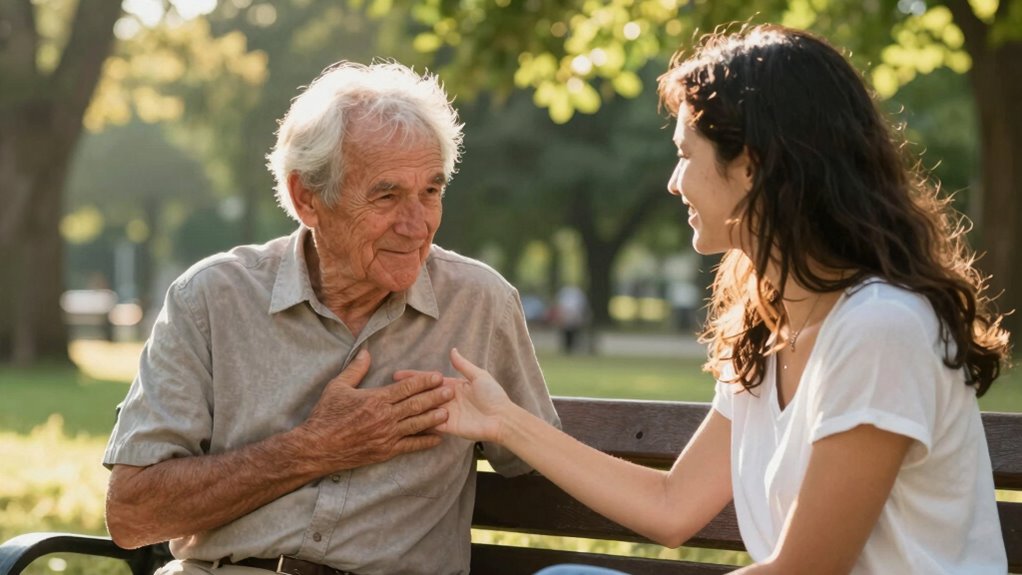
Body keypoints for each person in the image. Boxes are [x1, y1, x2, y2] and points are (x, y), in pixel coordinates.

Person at [436, 24, 1011, 575]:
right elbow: (670, 504)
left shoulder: (882, 328)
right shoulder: (770, 329)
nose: (673, 181)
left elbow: (806, 570)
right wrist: (505, 421)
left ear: (751, 166)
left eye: (686, 154)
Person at [102, 61, 559, 575]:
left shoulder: (479, 304)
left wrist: (510, 426)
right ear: (307, 199)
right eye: (387, 195)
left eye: (431, 191)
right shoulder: (210, 299)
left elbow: (543, 471)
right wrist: (313, 449)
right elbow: (131, 515)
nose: (417, 226)